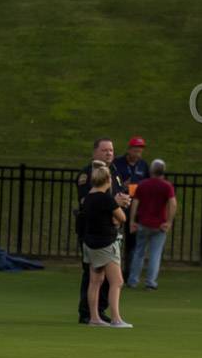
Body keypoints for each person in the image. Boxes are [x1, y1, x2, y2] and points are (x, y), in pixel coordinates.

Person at [76, 138, 130, 324]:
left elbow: (120, 192)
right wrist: (115, 203)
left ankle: (97, 313)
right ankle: (88, 312)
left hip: (109, 229)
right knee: (95, 276)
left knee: (99, 278)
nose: (109, 153)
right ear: (95, 152)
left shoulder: (114, 172)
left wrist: (123, 199)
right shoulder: (87, 173)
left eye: (111, 150)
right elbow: (88, 201)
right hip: (95, 231)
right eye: (105, 150)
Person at [128, 159, 178, 290]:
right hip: (159, 224)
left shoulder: (143, 184)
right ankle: (150, 282)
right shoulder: (167, 186)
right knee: (155, 254)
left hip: (143, 223)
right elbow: (173, 204)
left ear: (151, 171)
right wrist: (169, 221)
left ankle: (133, 280)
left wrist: (132, 220)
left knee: (138, 252)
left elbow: (135, 203)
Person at [113, 136, 149, 285]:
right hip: (121, 205)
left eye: (140, 151)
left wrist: (136, 188)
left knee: (133, 243)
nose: (138, 154)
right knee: (117, 240)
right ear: (129, 150)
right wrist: (126, 186)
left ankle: (129, 273)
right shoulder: (118, 163)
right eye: (135, 150)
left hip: (136, 207)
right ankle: (116, 271)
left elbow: (146, 184)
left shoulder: (143, 165)